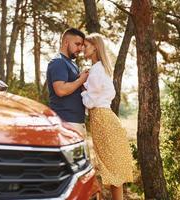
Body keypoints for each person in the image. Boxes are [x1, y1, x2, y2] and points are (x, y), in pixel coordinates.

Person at [81, 33, 133, 200]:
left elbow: (90, 101)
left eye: (86, 46)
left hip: (103, 119)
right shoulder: (98, 69)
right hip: (104, 119)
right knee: (112, 168)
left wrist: (81, 91)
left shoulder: (96, 70)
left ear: (95, 47)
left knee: (112, 167)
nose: (83, 48)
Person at [46, 28, 89, 135]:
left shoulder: (72, 63)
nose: (80, 48)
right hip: (65, 121)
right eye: (77, 44)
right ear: (66, 42)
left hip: (76, 122)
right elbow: (61, 90)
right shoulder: (58, 62)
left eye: (81, 45)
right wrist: (81, 79)